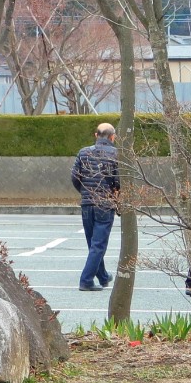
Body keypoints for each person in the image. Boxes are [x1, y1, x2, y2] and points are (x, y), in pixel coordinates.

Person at [72, 121, 120, 291]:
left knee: (93, 244)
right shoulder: (116, 155)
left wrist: (85, 192)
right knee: (98, 244)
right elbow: (118, 182)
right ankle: (86, 280)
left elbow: (75, 178)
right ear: (112, 137)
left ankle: (103, 276)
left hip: (86, 204)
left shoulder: (83, 153)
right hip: (105, 205)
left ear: (96, 136)